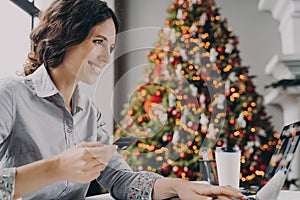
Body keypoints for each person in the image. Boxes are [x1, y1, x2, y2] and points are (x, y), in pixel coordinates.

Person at [0, 0, 248, 199]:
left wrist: (178, 186)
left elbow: (119, 179)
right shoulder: (11, 94)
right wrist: (57, 167)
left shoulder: (88, 112)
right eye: (98, 42)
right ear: (65, 36)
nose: (106, 59)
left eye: (110, 47)